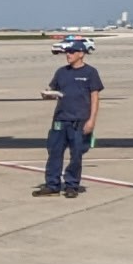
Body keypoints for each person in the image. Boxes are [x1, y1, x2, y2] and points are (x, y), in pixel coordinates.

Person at [34, 38, 103, 198]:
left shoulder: (90, 73)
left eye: (71, 52)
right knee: (54, 152)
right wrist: (47, 95)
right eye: (67, 52)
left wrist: (91, 120)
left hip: (79, 121)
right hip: (60, 120)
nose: (68, 55)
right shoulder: (61, 72)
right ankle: (52, 185)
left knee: (76, 154)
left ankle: (72, 185)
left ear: (81, 54)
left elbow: (95, 97)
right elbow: (52, 90)